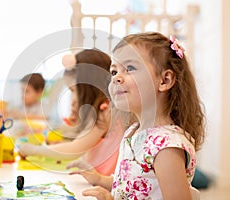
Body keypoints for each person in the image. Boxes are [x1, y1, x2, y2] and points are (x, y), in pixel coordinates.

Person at [67, 32, 205, 199]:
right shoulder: (134, 131)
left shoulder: (166, 147)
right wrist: (100, 179)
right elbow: (136, 186)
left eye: (130, 68)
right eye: (113, 71)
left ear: (165, 80)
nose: (116, 77)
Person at [18, 49, 126, 176]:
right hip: (94, 179)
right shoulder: (101, 109)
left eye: (73, 90)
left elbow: (75, 149)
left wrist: (35, 150)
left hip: (102, 183)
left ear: (89, 88)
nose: (73, 98)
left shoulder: (105, 111)